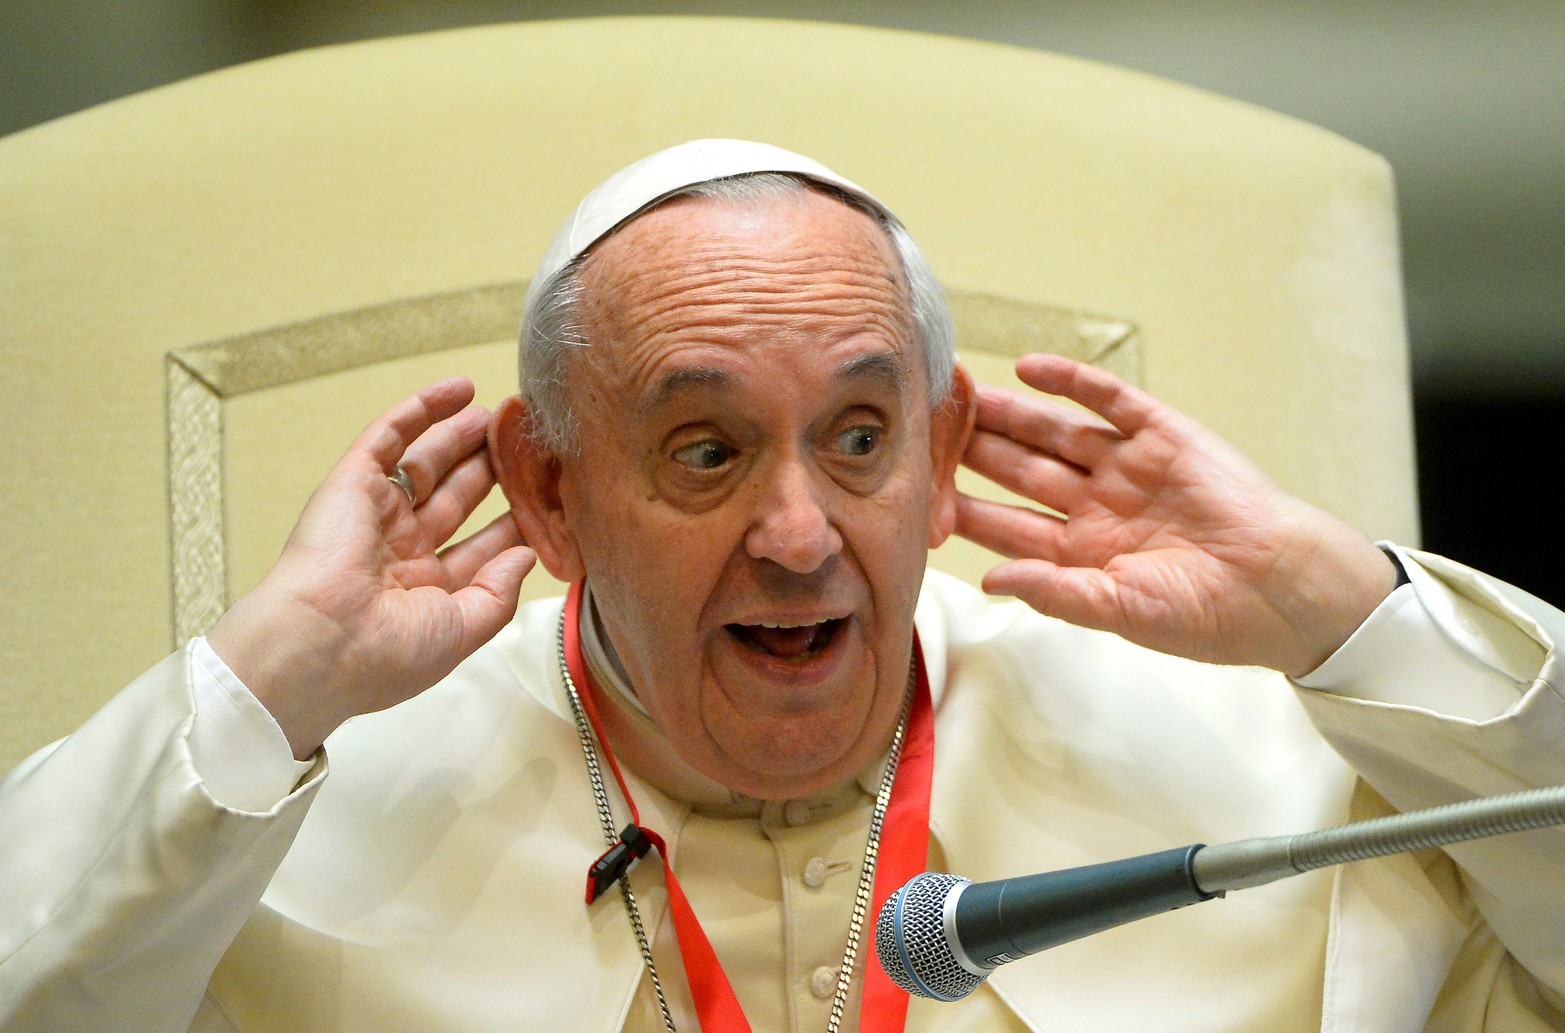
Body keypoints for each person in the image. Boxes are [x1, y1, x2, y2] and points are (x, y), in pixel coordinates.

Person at [2, 139, 1562, 1033]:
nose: (801, 533)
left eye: (864, 436)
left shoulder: (1269, 773)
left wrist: (1343, 606)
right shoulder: (285, 823)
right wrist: (278, 671)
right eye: (703, 450)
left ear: (946, 455)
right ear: (548, 488)